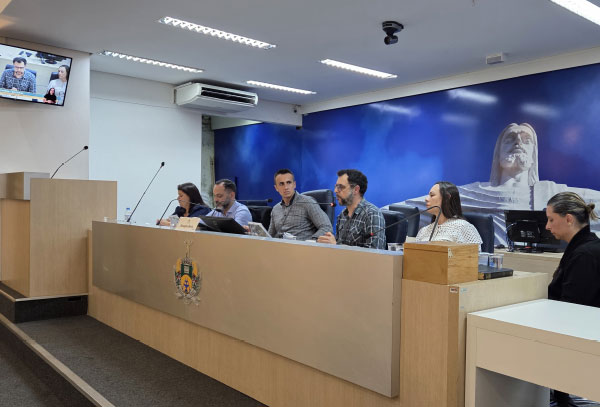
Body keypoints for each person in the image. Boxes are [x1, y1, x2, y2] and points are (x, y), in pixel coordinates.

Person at [396, 123, 600, 246]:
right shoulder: (475, 192)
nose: (518, 143)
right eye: (510, 139)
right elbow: (404, 209)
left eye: (526, 140)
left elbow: (591, 205)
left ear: (533, 154)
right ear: (498, 153)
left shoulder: (550, 192)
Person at [545, 191, 600, 407]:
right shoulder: (584, 248)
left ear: (568, 219)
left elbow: (571, 310)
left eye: (551, 220)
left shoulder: (584, 254)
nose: (547, 226)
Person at [317, 169, 386, 249]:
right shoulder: (342, 215)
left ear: (356, 189)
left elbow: (375, 252)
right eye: (336, 186)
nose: (335, 191)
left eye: (340, 187)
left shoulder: (372, 214)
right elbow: (338, 248)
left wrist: (336, 245)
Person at [268, 169, 332, 240]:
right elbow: (270, 236)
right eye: (281, 184)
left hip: (303, 245)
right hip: (280, 245)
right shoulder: (275, 209)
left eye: (289, 182)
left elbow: (326, 227)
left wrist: (311, 241)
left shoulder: (308, 202)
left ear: (294, 184)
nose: (286, 187)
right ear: (276, 188)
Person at [415, 181, 483, 245]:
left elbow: (476, 252)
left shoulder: (463, 227)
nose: (426, 199)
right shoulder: (423, 231)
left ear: (447, 198)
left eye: (432, 195)